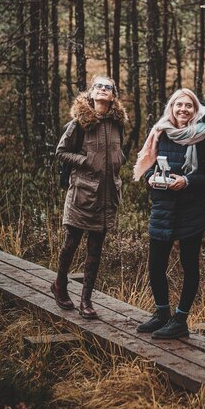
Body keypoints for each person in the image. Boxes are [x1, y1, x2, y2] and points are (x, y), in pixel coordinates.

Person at [133, 89, 205, 339]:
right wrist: (151, 179)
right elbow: (148, 168)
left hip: (191, 211)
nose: (183, 109)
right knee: (155, 265)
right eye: (178, 105)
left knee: (189, 266)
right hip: (162, 208)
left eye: (189, 106)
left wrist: (187, 181)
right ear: (170, 108)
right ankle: (162, 314)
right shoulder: (159, 133)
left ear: (196, 110)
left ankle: (180, 319)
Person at [52, 75, 127, 319]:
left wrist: (118, 162)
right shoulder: (79, 123)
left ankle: (86, 300)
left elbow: (119, 151)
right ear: (91, 93)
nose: (104, 90)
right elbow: (61, 152)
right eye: (99, 86)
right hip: (83, 194)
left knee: (96, 249)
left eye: (108, 87)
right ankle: (60, 285)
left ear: (113, 96)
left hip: (107, 196)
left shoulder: (118, 124)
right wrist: (85, 161)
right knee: (71, 244)